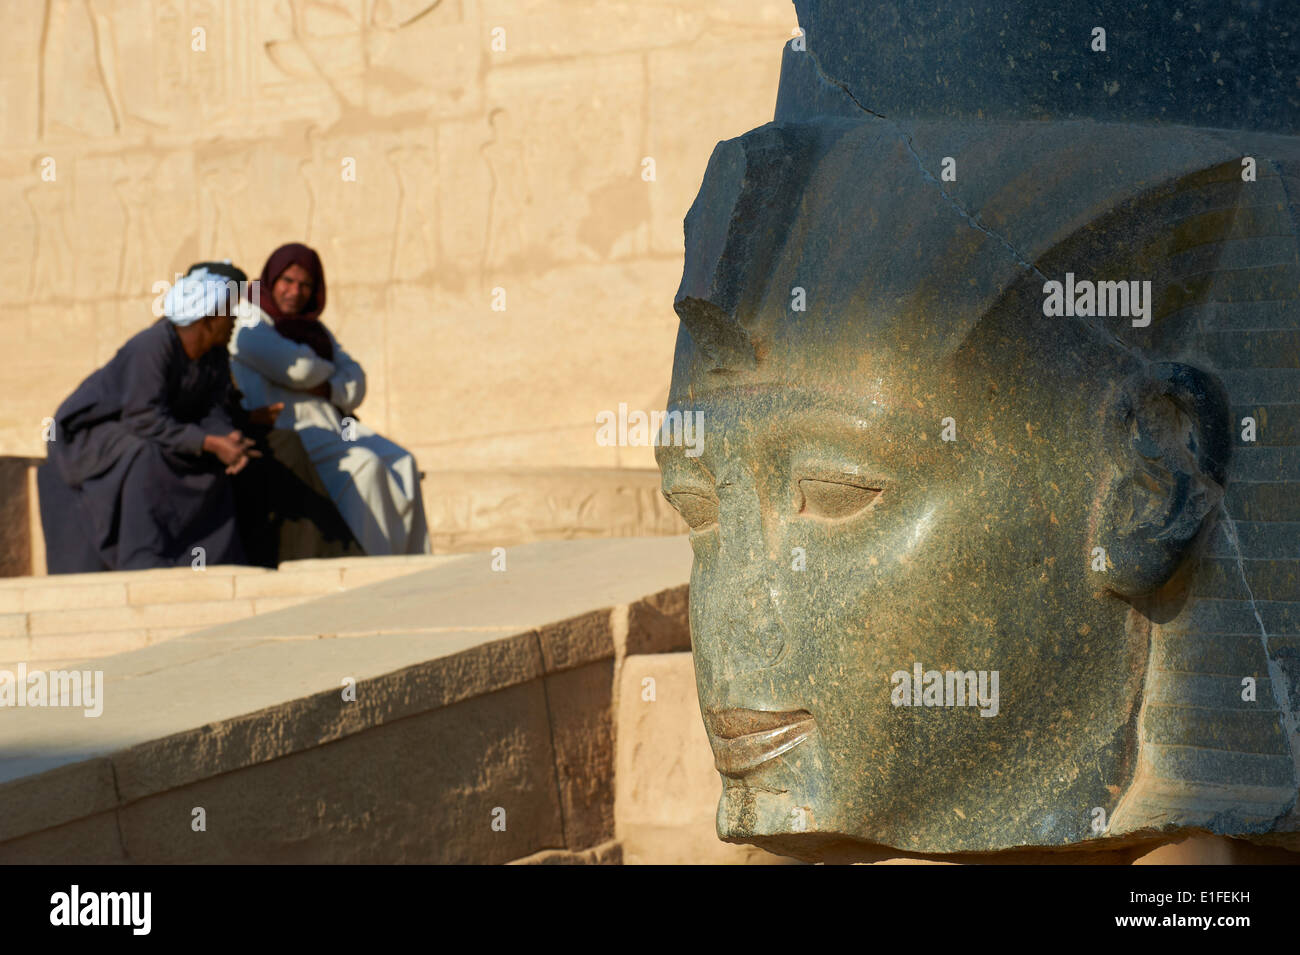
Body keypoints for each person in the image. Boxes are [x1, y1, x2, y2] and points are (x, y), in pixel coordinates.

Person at [38, 263, 259, 572]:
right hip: (89, 438)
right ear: (208, 318)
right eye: (229, 312)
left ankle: (215, 560)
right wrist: (208, 442)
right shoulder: (152, 345)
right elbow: (143, 416)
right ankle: (140, 556)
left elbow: (213, 408)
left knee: (210, 460)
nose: (234, 320)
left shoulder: (215, 353)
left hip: (148, 426)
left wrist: (225, 438)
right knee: (147, 452)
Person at [230, 242, 431, 556]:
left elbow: (356, 382)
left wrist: (324, 386)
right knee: (365, 467)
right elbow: (300, 369)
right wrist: (327, 373)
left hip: (333, 424)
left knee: (403, 462)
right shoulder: (249, 318)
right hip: (293, 428)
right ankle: (372, 562)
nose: (295, 292)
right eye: (287, 281)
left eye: (305, 285)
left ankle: (411, 560)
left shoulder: (312, 328)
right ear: (271, 280)